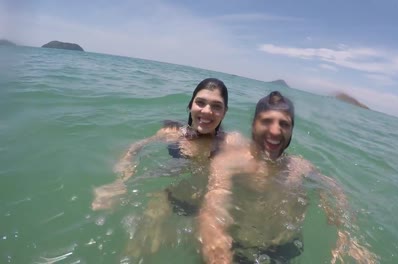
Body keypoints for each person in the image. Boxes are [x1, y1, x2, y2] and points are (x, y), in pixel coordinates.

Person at [198, 91, 377, 264]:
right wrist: (219, 251)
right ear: (253, 124)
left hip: (284, 249)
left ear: (291, 130)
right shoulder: (228, 163)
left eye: (284, 124)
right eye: (267, 121)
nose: (275, 131)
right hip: (236, 248)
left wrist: (347, 239)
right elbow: (213, 212)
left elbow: (333, 191)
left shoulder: (300, 167)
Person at [92, 77, 234, 210]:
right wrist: (119, 182)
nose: (207, 111)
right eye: (200, 102)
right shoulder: (172, 133)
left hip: (205, 202)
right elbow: (135, 148)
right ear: (191, 105)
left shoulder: (229, 142)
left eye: (216, 106)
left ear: (225, 112)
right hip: (165, 193)